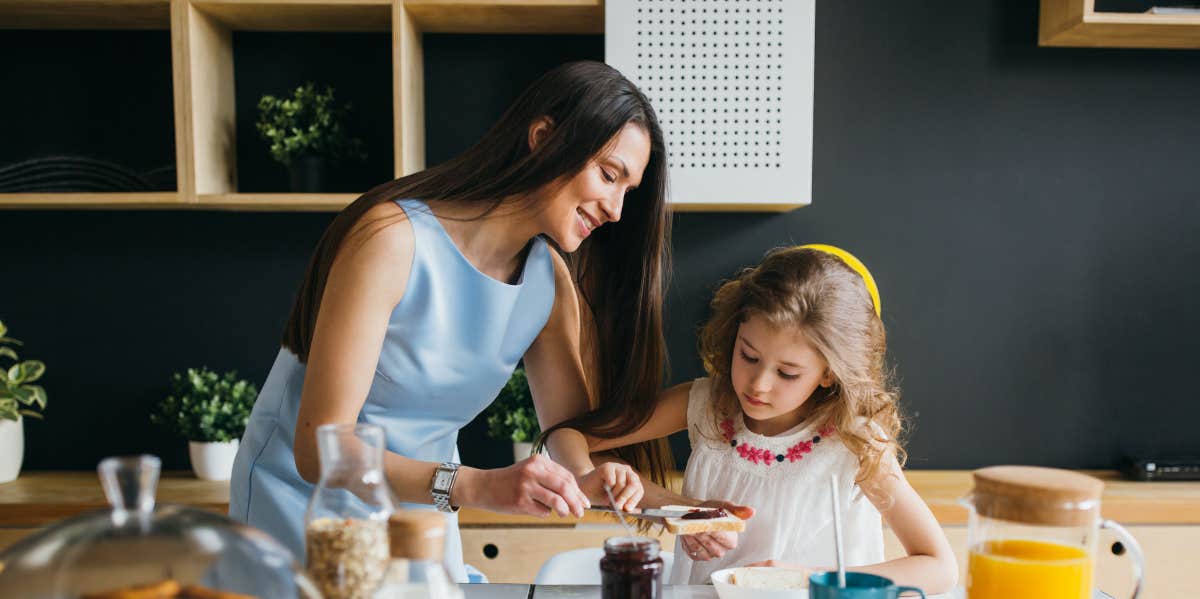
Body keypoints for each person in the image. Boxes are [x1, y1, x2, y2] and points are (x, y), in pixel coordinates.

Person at [229, 61, 670, 581]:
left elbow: (569, 435)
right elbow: (320, 449)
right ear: (544, 138)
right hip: (307, 516)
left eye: (628, 190)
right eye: (609, 174)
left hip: (424, 511)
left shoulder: (548, 283)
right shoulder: (391, 239)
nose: (617, 209)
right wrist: (478, 487)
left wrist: (674, 503)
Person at [562, 245, 958, 593]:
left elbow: (939, 566)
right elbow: (569, 437)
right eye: (748, 355)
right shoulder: (705, 404)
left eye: (787, 373)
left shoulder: (855, 442)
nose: (758, 384)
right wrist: (681, 509)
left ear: (829, 373)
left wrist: (807, 580)